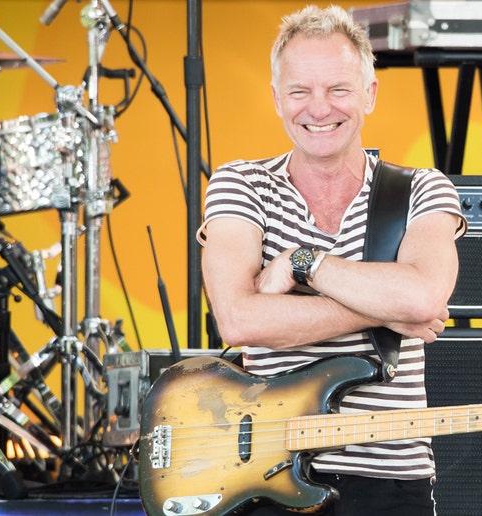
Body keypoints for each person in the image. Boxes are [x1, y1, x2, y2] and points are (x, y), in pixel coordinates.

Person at [196, 5, 466, 515]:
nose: (319, 109)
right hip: (264, 471)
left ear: (369, 93)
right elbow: (237, 318)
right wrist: (387, 308)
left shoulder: (422, 189)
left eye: (338, 89)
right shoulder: (241, 184)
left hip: (390, 477)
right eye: (300, 91)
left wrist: (305, 262)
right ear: (278, 99)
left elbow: (424, 296)